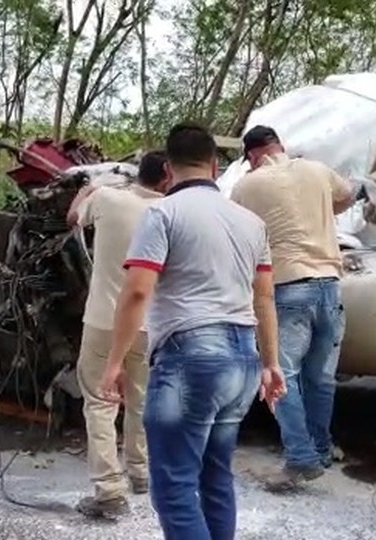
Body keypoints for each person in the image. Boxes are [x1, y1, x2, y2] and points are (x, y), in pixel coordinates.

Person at [99, 122, 287, 540]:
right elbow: (265, 299)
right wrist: (272, 363)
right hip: (242, 361)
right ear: (216, 166)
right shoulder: (251, 223)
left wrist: (114, 363)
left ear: (167, 168)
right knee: (215, 477)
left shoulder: (163, 214)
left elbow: (136, 294)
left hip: (191, 360)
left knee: (174, 484)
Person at [229, 125, 355, 491]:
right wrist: (318, 213)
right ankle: (320, 448)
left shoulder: (247, 186)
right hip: (330, 285)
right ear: (280, 146)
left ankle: (300, 458)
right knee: (321, 378)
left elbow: (235, 234)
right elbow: (347, 196)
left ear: (252, 156)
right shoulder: (317, 170)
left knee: (281, 377)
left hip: (286, 289)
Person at [66, 150, 171, 518]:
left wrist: (89, 187)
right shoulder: (173, 213)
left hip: (103, 321)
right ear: (167, 178)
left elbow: (73, 218)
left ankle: (109, 491)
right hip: (149, 324)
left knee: (99, 401)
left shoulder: (108, 198)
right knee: (140, 401)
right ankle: (140, 474)